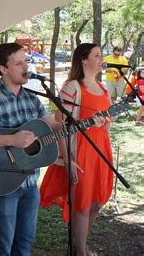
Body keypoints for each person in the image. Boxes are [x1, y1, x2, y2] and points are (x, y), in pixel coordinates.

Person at [0, 43, 66, 255]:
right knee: (4, 243)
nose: (25, 67)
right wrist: (11, 140)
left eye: (26, 61)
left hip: (30, 183)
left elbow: (53, 127)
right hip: (4, 183)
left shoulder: (32, 98)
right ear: (3, 69)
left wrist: (75, 121)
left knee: (25, 242)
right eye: (19, 63)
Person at [40, 43, 112, 256]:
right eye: (97, 55)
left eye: (101, 55)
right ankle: (80, 250)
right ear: (83, 59)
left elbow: (106, 118)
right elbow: (60, 124)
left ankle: (79, 245)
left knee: (97, 201)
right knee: (82, 202)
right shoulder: (72, 87)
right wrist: (66, 159)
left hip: (101, 148)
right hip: (81, 149)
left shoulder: (103, 87)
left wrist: (106, 121)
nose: (102, 59)